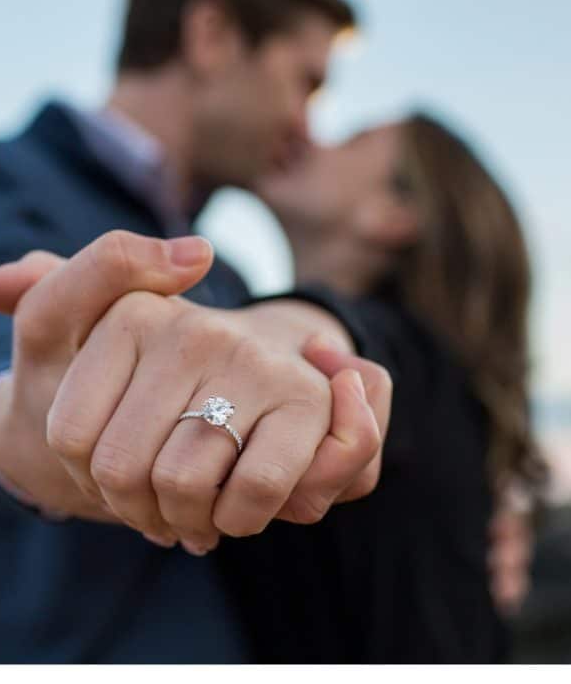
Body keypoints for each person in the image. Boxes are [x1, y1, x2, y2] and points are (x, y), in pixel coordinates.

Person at [0, 0, 393, 663]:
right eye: (306, 81)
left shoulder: (231, 280)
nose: (307, 125)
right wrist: (15, 417)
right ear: (210, 35)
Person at [207, 112, 550, 662]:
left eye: (353, 140)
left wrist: (280, 336)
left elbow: (344, 338)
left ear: (393, 214)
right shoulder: (446, 387)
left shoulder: (416, 364)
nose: (311, 137)